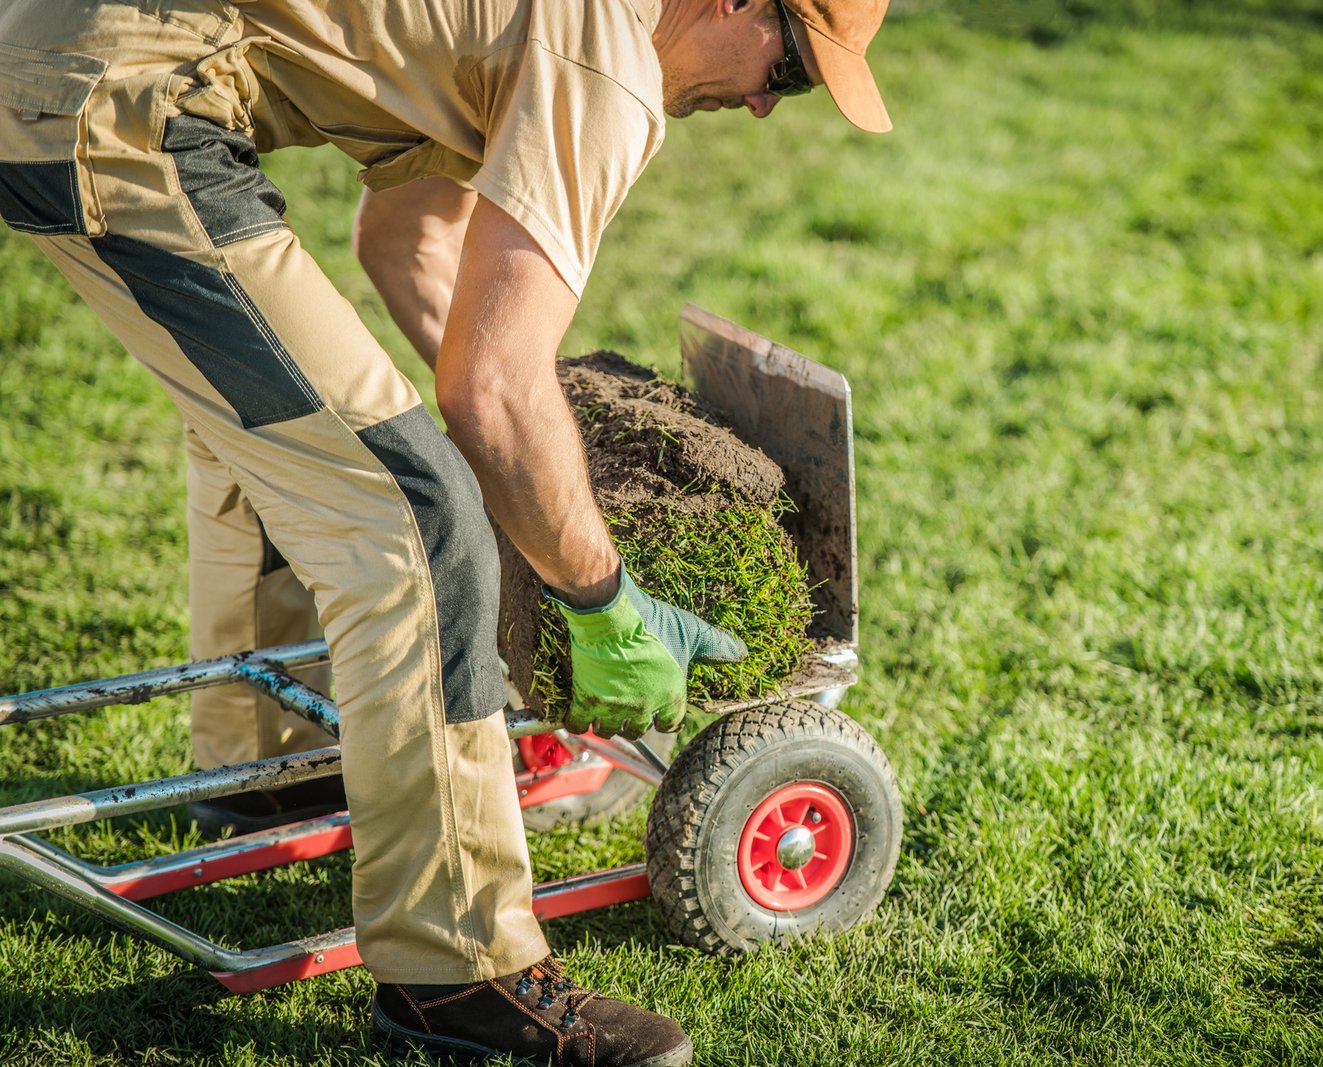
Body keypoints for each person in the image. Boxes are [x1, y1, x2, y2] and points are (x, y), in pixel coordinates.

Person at [0, 0, 891, 1062]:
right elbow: (490, 386)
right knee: (418, 519)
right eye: (785, 71)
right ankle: (459, 968)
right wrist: (600, 594)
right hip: (120, 101)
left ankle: (269, 766)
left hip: (77, 68)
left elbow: (407, 238)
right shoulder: (603, 57)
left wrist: (550, 451)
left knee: (292, 431)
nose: (757, 107)